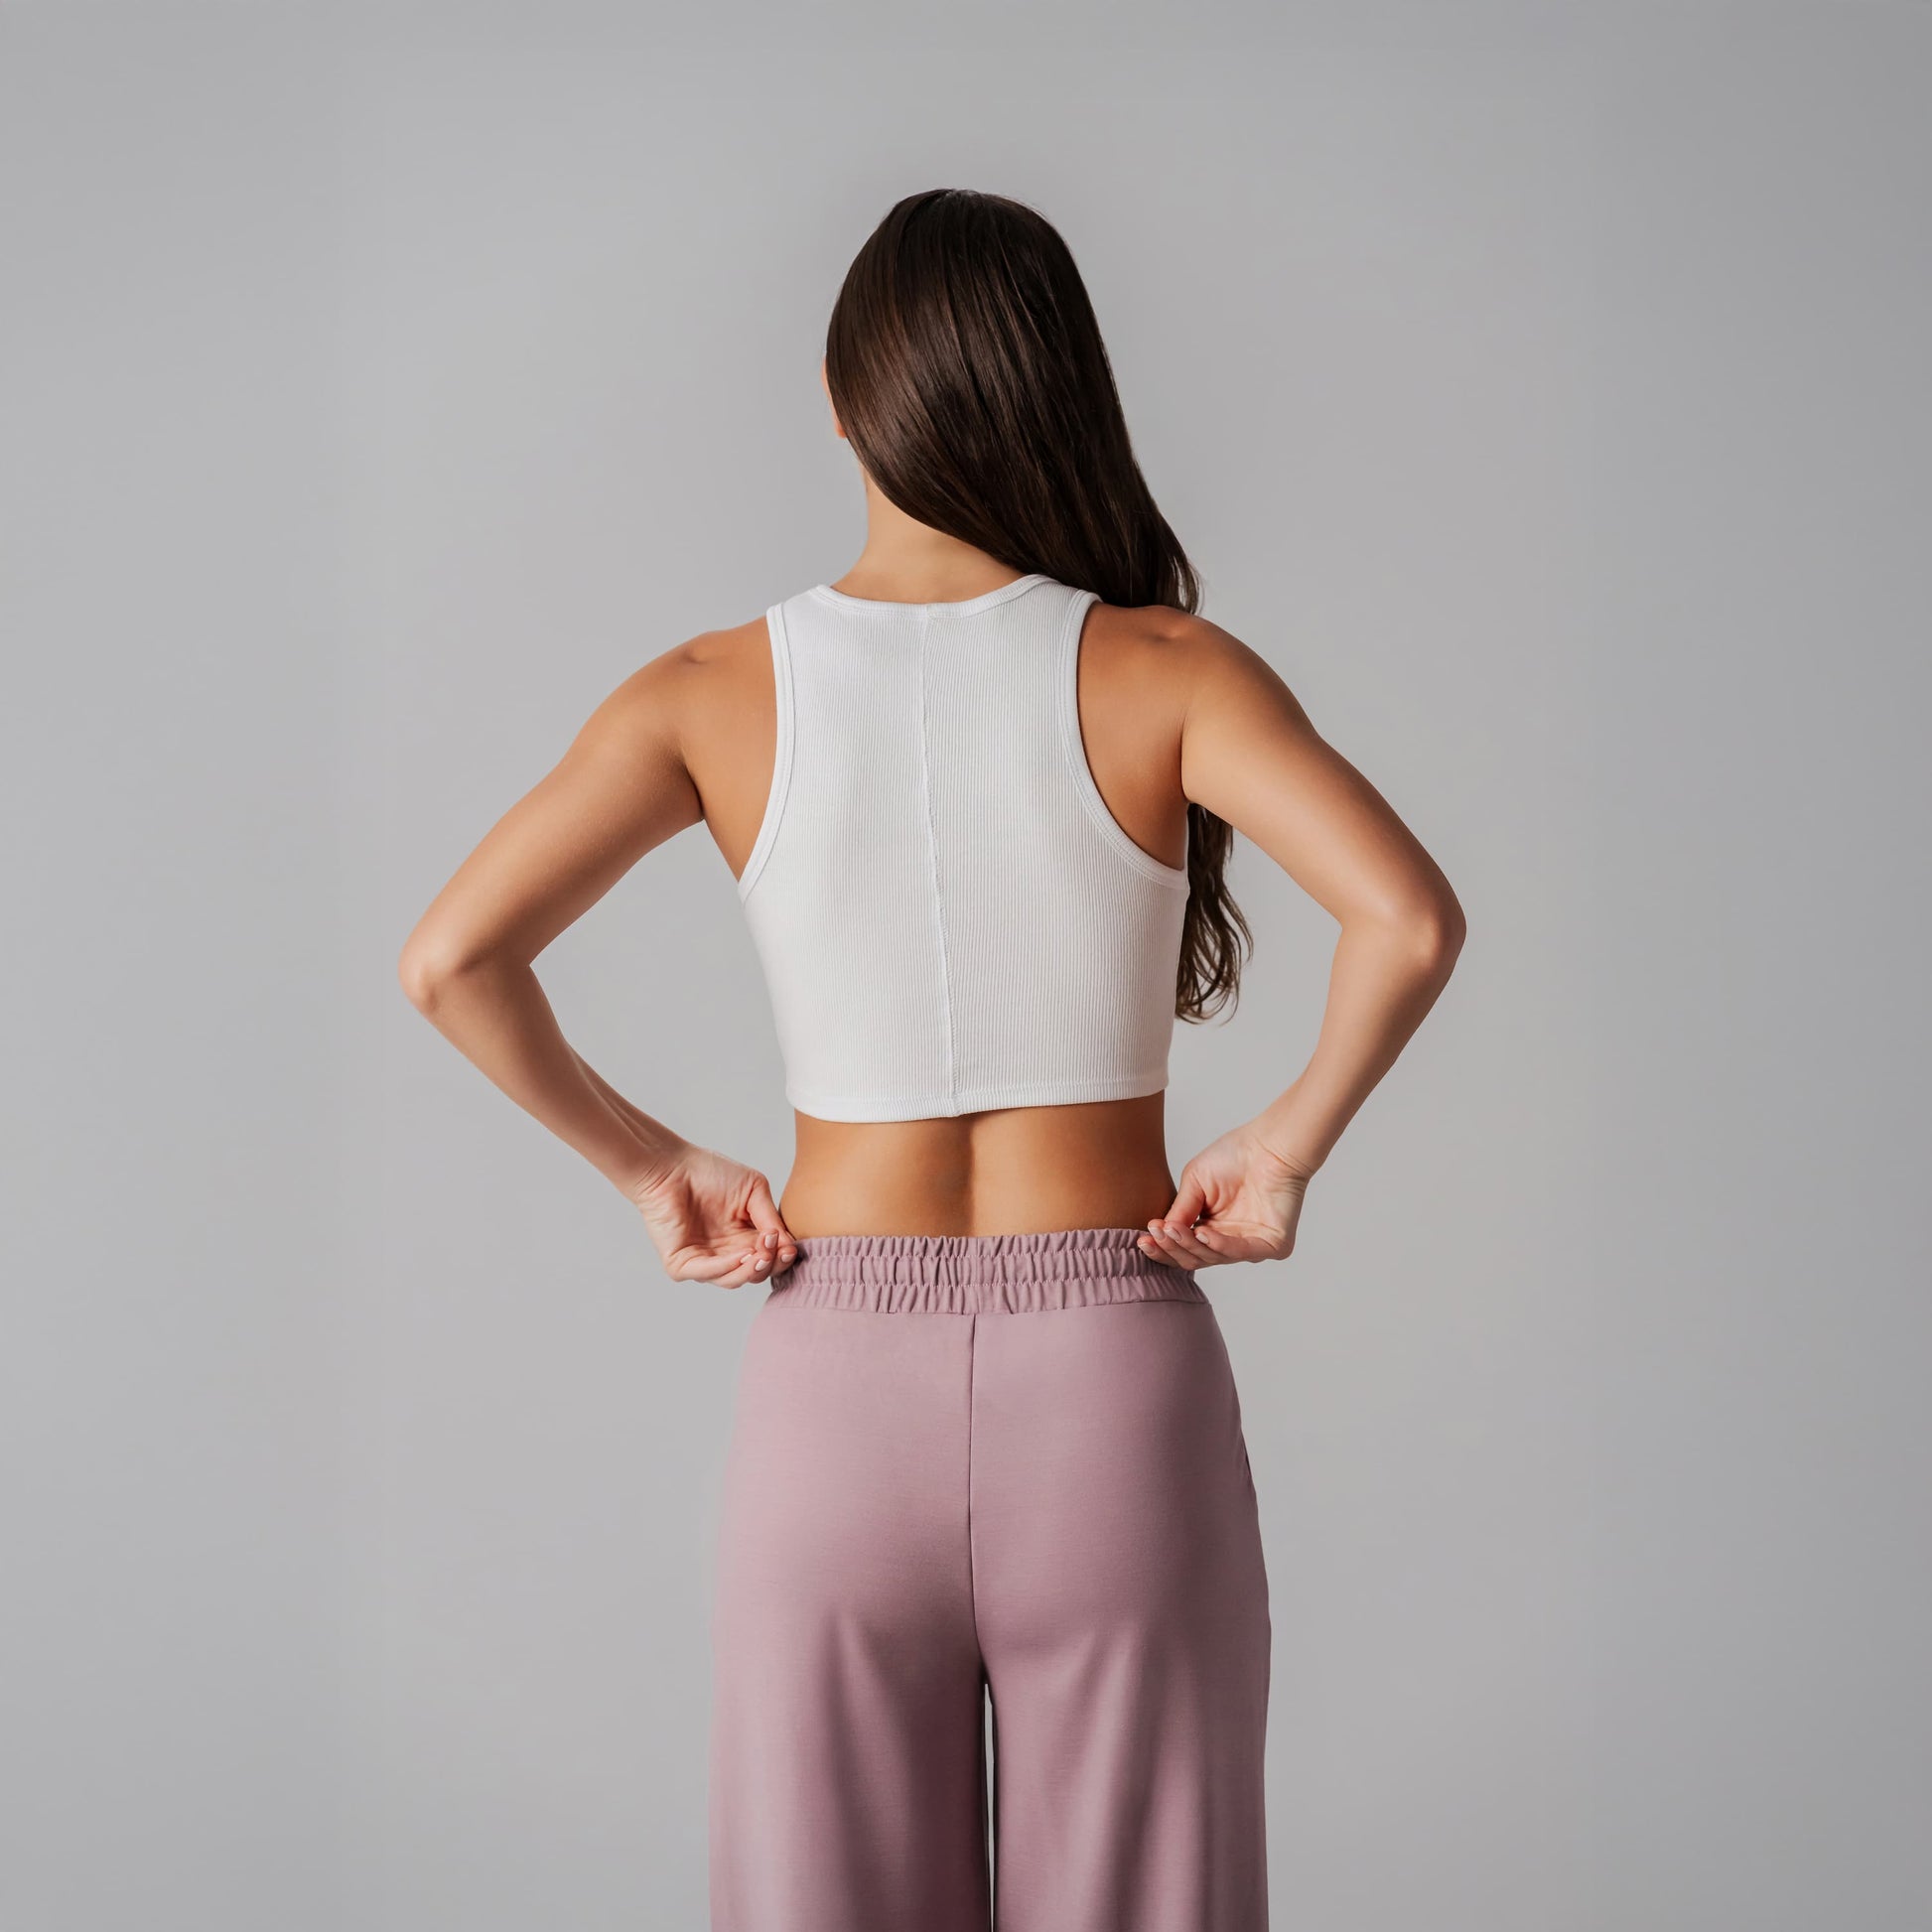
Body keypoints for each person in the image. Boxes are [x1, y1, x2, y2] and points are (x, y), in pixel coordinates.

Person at [399, 187, 1465, 1932]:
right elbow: (1407, 921)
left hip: (831, 1391)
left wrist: (651, 1164)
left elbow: (452, 958)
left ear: (840, 403)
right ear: (1061, 393)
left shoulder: (705, 687)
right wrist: (1282, 1146)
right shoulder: (1166, 668)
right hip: (1110, 1384)